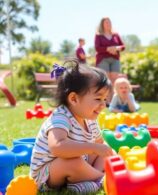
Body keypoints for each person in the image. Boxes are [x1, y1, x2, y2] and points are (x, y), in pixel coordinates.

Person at [29, 61, 113, 193]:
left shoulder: (90, 119)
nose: (103, 105)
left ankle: (90, 182)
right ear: (74, 98)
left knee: (106, 151)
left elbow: (99, 143)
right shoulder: (61, 117)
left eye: (105, 99)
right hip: (47, 175)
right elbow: (57, 147)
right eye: (98, 99)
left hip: (78, 164)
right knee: (74, 162)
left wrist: (105, 151)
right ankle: (102, 179)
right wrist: (93, 148)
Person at [95, 17, 125, 100]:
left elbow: (123, 46)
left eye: (109, 22)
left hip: (115, 59)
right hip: (103, 59)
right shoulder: (98, 35)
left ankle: (113, 100)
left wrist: (116, 48)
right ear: (102, 24)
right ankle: (106, 100)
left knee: (114, 80)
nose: (108, 24)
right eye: (106, 22)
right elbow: (97, 48)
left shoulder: (116, 35)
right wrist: (108, 49)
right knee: (106, 80)